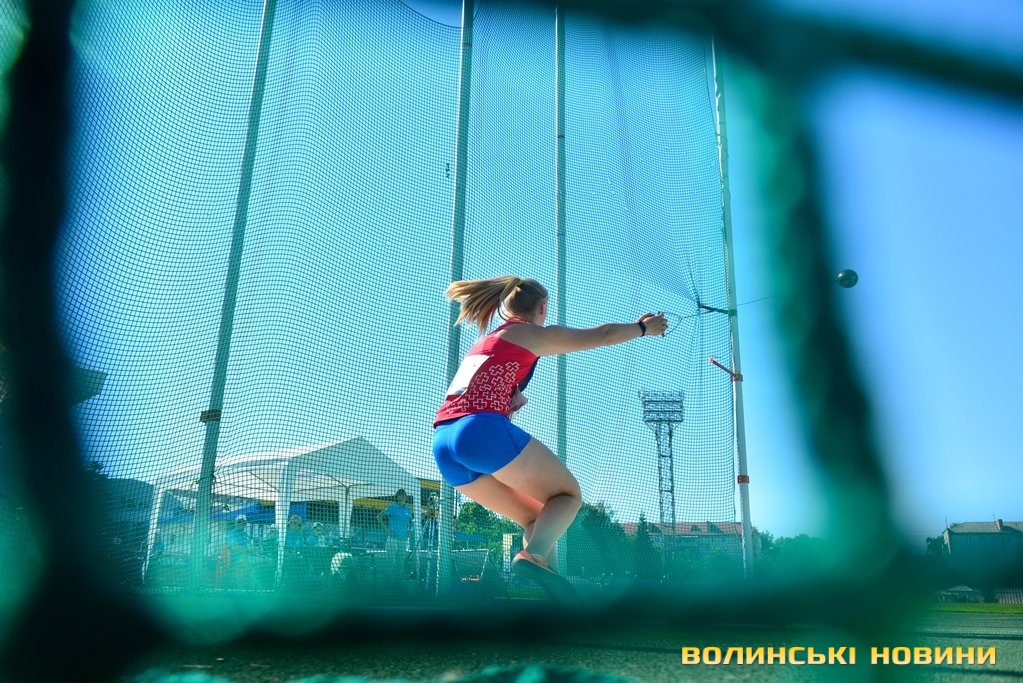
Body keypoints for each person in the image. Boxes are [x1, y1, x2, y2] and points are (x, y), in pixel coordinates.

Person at [432, 275, 666, 589]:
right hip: (479, 431)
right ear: (542, 307)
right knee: (567, 496)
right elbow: (604, 334)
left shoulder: (484, 343)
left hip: (444, 444)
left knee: (537, 519)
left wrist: (510, 397)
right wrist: (643, 328)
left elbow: (476, 388)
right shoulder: (529, 333)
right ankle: (532, 556)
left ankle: (555, 595)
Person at [378, 489, 413, 589]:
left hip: (403, 540)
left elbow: (410, 523)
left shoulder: (408, 509)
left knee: (400, 562)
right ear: (397, 497)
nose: (402, 497)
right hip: (393, 539)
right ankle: (390, 584)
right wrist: (387, 530)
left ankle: (398, 584)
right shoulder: (392, 507)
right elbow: (379, 517)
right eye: (400, 495)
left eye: (404, 495)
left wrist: (409, 532)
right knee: (391, 562)